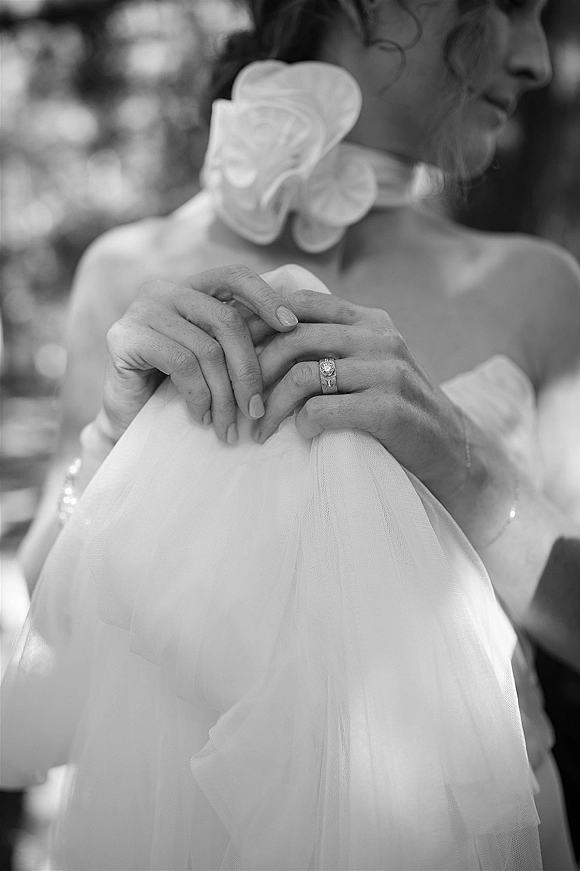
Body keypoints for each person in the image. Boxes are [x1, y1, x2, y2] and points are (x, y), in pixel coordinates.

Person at [2, 0, 580, 868]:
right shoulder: (124, 273)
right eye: (510, 6)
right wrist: (114, 435)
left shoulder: (540, 287)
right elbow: (52, 623)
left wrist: (464, 469)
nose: (536, 58)